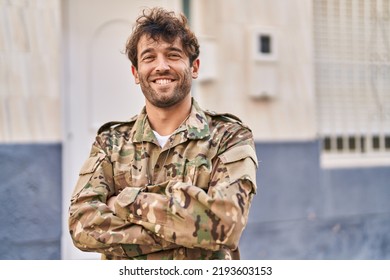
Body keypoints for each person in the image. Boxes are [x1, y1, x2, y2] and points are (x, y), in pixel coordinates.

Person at [68, 7, 258, 260]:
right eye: (149, 57)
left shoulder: (228, 137)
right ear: (136, 73)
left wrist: (125, 202)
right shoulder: (111, 142)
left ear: (194, 67)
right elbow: (82, 225)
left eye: (173, 54)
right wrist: (186, 230)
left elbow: (226, 225)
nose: (162, 66)